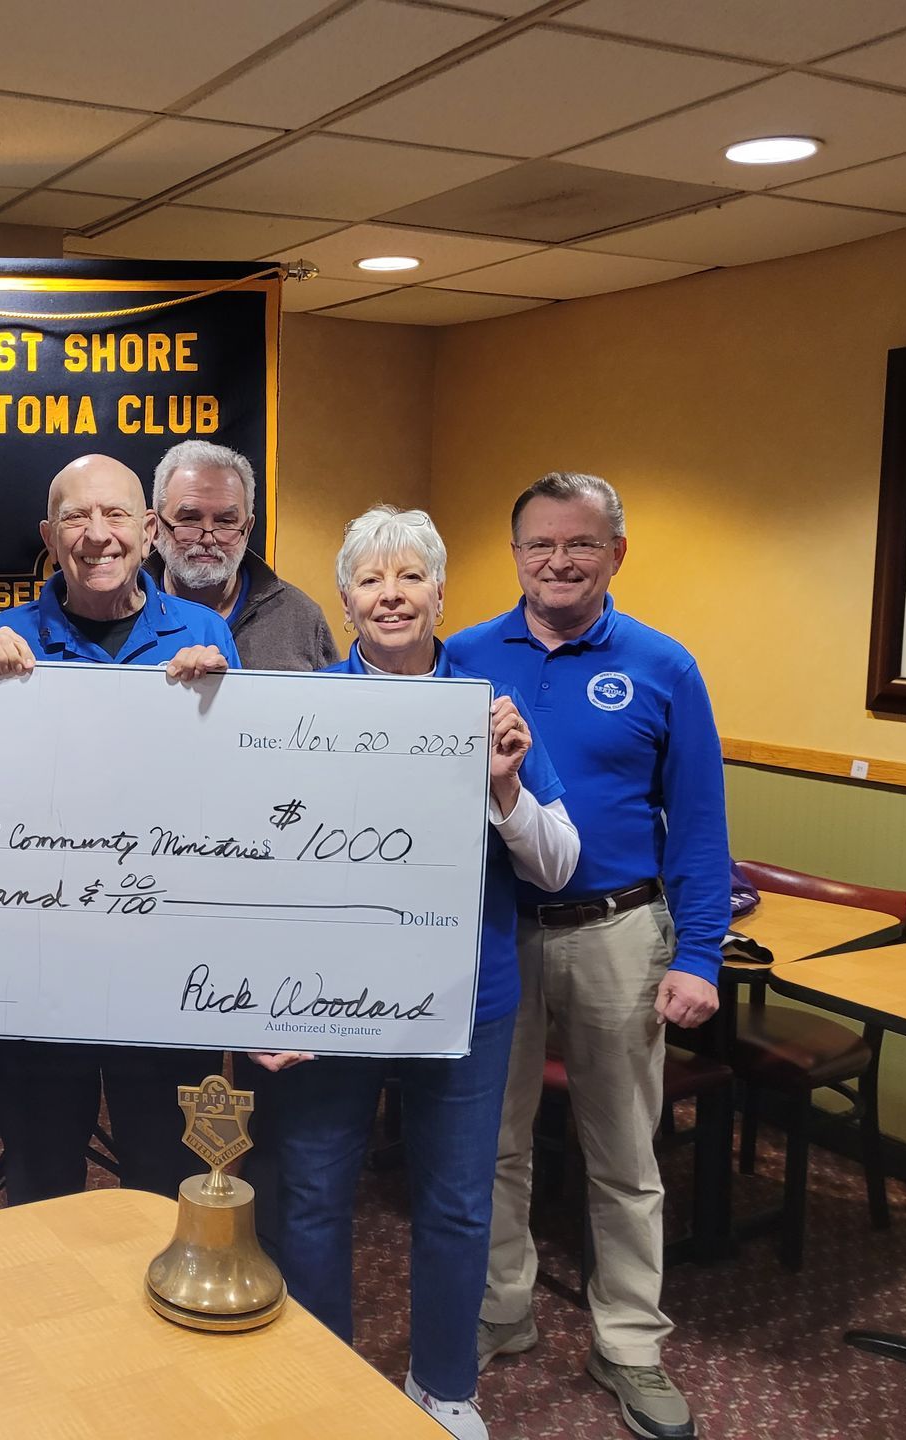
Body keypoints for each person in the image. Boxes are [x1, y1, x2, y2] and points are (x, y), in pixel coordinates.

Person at [245, 505, 578, 1440]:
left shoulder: (491, 707)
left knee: (458, 1202)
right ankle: (323, 1386)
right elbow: (258, 865)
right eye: (370, 581)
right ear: (344, 599)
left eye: (410, 578)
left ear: (442, 593)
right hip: (327, 1005)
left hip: (465, 1002)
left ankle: (443, 1386)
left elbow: (556, 864)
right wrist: (263, 995)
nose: (391, 596)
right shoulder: (304, 708)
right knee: (310, 1195)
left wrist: (505, 786)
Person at [452, 471, 728, 1440]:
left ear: (617, 553)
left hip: (618, 933)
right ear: (514, 552)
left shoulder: (663, 666)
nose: (558, 562)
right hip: (493, 935)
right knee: (495, 1144)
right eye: (540, 545)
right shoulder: (462, 656)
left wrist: (700, 955)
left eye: (580, 544)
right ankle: (502, 1312)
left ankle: (629, 1343)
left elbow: (697, 826)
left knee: (624, 1154)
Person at [0, 452, 238, 1203]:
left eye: (116, 515)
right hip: (39, 959)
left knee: (166, 1175)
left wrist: (220, 700)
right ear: (49, 536)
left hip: (160, 957)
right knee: (41, 1176)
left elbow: (235, 794)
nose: (98, 535)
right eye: (76, 518)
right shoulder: (0, 639)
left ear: (148, 531)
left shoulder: (205, 632)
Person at [145, 438, 336, 671]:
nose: (208, 538)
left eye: (226, 522)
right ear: (155, 528)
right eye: (189, 519)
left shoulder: (300, 619)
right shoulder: (119, 610)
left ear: (247, 530)